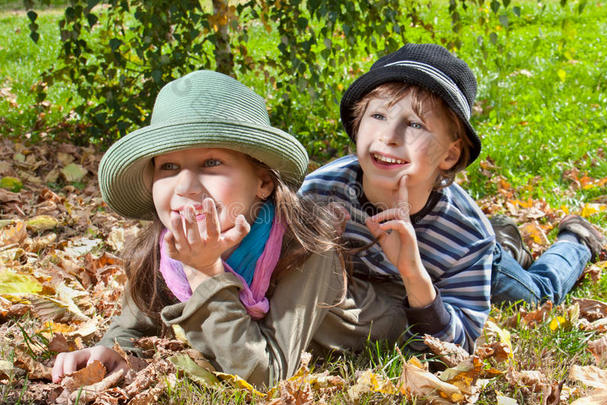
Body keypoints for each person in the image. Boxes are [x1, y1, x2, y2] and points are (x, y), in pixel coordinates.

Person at [51, 70, 416, 388]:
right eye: (168, 167)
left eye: (211, 163)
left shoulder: (306, 248)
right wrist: (111, 351)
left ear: (262, 183)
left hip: (390, 323)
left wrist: (206, 274)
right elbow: (133, 322)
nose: (185, 187)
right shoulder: (165, 247)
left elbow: (264, 376)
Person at [299, 43, 607, 353]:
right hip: (381, 286)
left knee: (536, 296)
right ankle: (508, 238)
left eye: (415, 125)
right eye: (378, 115)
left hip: (446, 272)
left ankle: (575, 241)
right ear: (357, 124)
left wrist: (413, 272)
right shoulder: (321, 191)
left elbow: (456, 348)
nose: (388, 136)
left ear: (449, 154)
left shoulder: (468, 239)